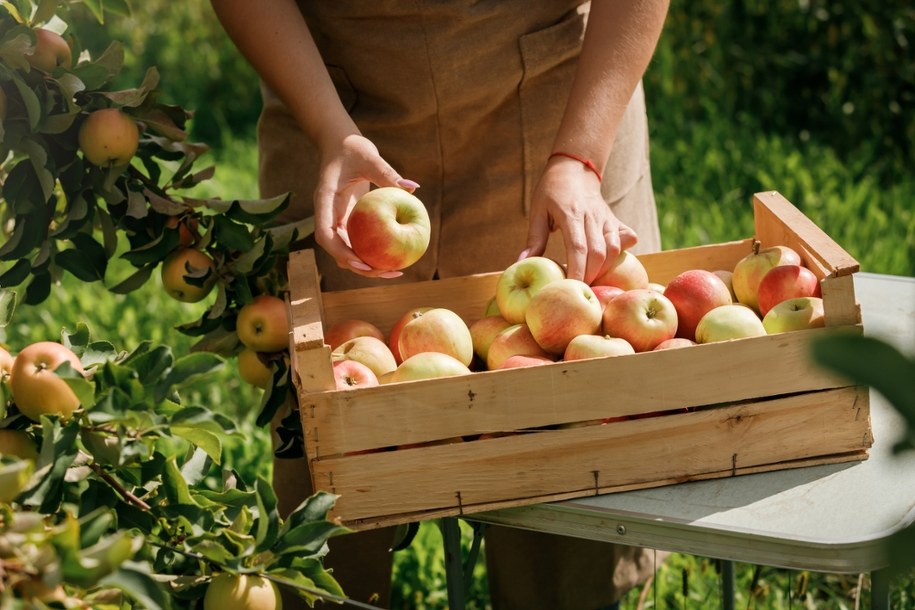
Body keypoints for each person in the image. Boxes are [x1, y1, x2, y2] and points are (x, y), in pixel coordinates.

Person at [210, 1, 670, 608]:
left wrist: (581, 156)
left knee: (568, 440)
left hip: (556, 99)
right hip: (332, 101)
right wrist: (329, 126)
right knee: (337, 457)